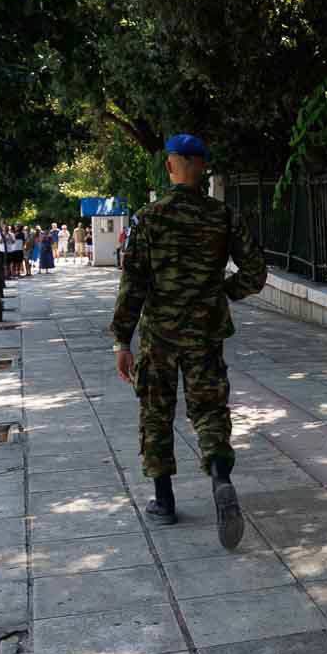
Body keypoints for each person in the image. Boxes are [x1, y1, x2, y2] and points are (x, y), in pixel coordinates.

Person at [111, 133, 268, 548]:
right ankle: (220, 478)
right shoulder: (223, 216)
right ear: (203, 167)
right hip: (205, 332)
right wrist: (219, 295)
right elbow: (255, 272)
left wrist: (121, 340)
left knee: (156, 413)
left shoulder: (149, 217)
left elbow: (134, 285)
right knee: (210, 409)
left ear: (171, 166)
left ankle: (164, 500)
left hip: (159, 335)